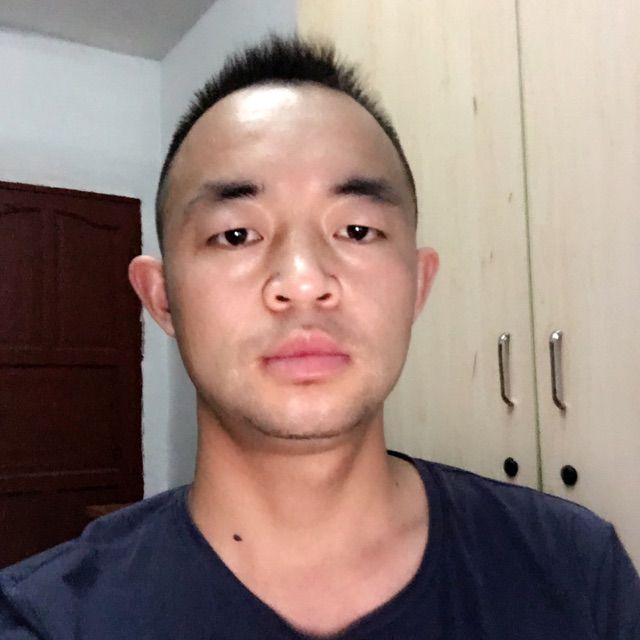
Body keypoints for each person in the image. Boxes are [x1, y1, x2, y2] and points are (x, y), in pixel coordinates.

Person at [1, 35, 638, 640]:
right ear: (163, 298)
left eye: (357, 231)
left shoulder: (578, 573)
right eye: (236, 235)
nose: (304, 282)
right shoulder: (47, 621)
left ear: (418, 287)